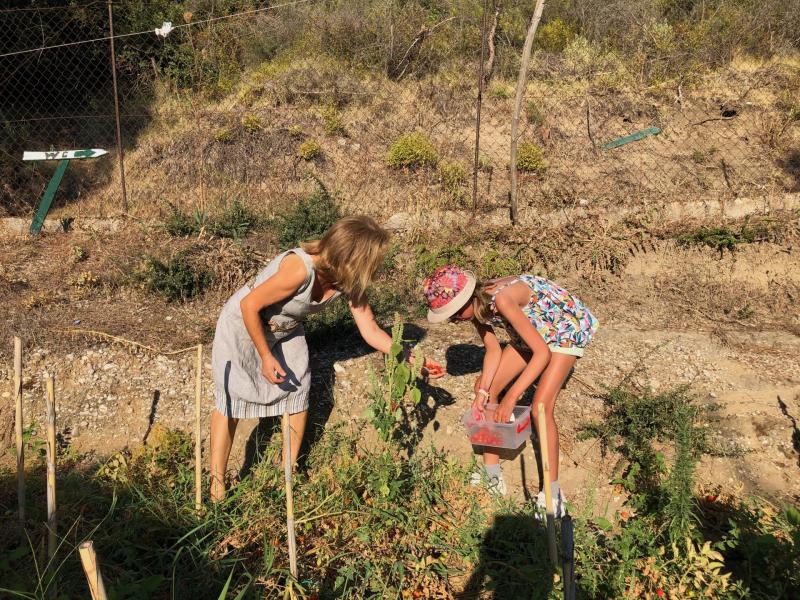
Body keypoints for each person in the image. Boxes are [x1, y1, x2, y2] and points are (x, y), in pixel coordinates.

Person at [210, 215, 441, 501]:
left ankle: (287, 473)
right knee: (232, 399)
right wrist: (265, 356)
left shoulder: (347, 279)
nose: (374, 268)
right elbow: (249, 304)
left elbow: (369, 328)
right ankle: (217, 485)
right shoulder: (299, 269)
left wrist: (408, 355)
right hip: (245, 324)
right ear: (352, 257)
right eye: (371, 261)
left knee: (297, 392)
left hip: (285, 328)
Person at [423, 265, 598, 515]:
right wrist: (483, 391)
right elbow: (493, 350)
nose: (453, 319)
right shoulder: (476, 306)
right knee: (487, 388)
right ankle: (493, 477)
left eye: (454, 313)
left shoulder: (502, 300)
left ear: (467, 298)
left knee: (540, 407)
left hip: (562, 329)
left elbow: (542, 354)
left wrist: (513, 397)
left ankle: (553, 492)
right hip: (529, 332)